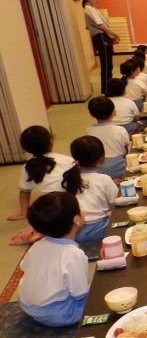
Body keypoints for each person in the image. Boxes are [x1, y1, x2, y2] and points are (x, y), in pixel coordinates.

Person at [18, 192, 89, 327]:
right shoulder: (73, 254)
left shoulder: (37, 245)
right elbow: (80, 293)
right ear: (77, 219)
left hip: (26, 304)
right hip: (56, 313)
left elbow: (24, 267)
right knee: (99, 297)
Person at [8, 126, 74, 223]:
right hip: (73, 200)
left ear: (25, 148)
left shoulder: (28, 166)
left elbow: (24, 191)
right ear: (51, 141)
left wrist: (23, 213)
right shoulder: (66, 159)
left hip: (51, 206)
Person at [62, 136, 119, 243]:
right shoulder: (104, 179)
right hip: (100, 229)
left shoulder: (68, 178)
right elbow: (116, 203)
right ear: (101, 158)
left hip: (75, 231)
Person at [82, 0, 120, 95]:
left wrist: (111, 37)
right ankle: (107, 90)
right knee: (106, 65)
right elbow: (100, 25)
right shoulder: (89, 9)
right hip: (101, 37)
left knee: (108, 65)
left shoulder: (92, 9)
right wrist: (114, 34)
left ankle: (108, 89)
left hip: (103, 37)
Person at [86, 96, 129, 179]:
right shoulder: (120, 130)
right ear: (114, 112)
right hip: (120, 169)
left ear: (91, 114)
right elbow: (126, 152)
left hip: (99, 171)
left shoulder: (89, 131)